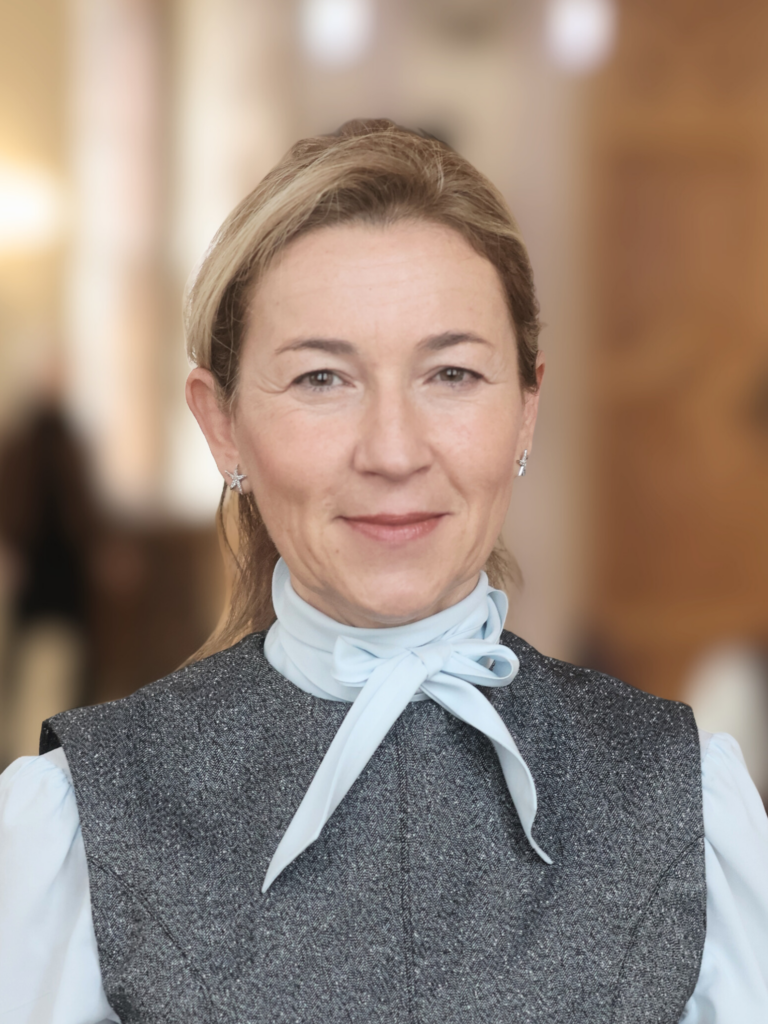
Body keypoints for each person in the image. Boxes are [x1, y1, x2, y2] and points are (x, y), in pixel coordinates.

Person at [0, 119, 766, 1023]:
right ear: (222, 425)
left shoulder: (681, 799)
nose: (394, 452)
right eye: (322, 379)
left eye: (452, 374)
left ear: (526, 409)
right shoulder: (81, 816)